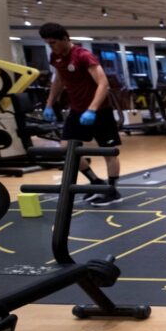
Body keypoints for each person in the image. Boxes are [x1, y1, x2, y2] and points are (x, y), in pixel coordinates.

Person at [39, 22, 122, 206]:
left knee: (109, 152)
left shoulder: (83, 56)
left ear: (65, 39)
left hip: (100, 111)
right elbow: (59, 80)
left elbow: (103, 84)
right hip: (77, 111)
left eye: (53, 42)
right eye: (48, 43)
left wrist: (92, 109)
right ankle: (96, 182)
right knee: (67, 149)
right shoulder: (56, 57)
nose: (51, 47)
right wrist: (49, 104)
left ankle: (112, 190)